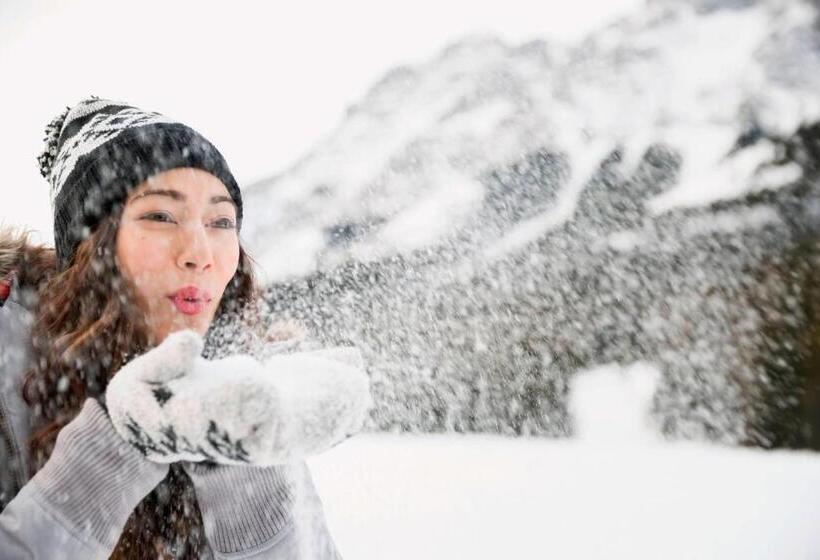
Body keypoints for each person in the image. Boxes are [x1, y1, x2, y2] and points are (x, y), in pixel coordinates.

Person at [0, 98, 368, 559]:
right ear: (91, 249)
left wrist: (236, 462)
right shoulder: (11, 382)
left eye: (220, 221)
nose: (200, 251)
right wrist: (111, 449)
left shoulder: (241, 388)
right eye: (160, 216)